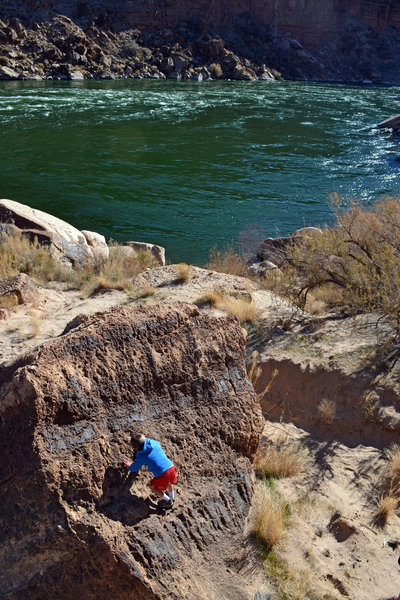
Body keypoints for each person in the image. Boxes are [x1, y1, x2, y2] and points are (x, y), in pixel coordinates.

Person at [123, 433, 177, 509]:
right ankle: (172, 496)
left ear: (137, 447)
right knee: (168, 482)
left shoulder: (142, 456)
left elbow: (136, 467)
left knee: (152, 487)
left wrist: (129, 466)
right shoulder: (154, 443)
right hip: (170, 467)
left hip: (163, 474)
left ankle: (168, 501)